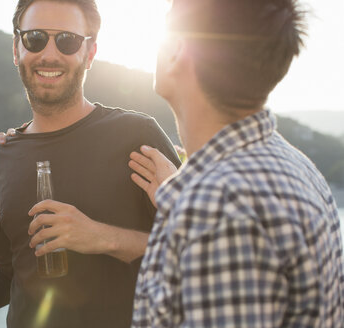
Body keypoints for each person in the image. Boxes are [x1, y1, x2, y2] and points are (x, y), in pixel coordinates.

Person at [129, 0, 344, 327]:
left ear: (176, 49)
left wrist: (196, 201)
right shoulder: (295, 164)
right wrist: (181, 188)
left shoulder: (218, 208)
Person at [0, 0, 181, 327]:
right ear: (16, 48)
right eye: (34, 38)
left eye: (67, 40)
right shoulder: (4, 153)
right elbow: (13, 270)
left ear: (89, 54)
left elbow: (194, 251)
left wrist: (102, 237)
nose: (49, 54)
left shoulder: (137, 136)